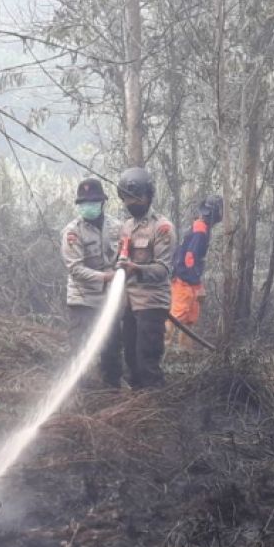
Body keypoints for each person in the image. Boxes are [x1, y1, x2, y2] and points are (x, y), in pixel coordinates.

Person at [115, 167, 175, 389]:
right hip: (129, 303)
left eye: (135, 198)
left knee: (147, 360)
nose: (131, 203)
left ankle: (154, 409)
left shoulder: (162, 228)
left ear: (148, 195)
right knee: (130, 357)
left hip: (151, 304)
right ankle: (137, 406)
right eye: (126, 199)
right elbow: (119, 258)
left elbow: (162, 270)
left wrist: (136, 268)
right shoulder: (126, 227)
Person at [61, 177, 123, 388]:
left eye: (93, 202)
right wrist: (105, 277)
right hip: (82, 300)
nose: (88, 207)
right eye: (84, 204)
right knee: (79, 347)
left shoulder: (117, 227)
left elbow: (124, 255)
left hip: (109, 300)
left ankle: (112, 389)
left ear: (102, 202)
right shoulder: (72, 232)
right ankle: (78, 391)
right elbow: (75, 269)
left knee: (112, 346)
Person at [168, 195, 223, 349]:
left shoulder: (201, 227)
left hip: (189, 280)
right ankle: (159, 354)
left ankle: (185, 355)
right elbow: (189, 258)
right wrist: (196, 284)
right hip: (184, 280)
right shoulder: (200, 230)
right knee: (176, 317)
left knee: (190, 318)